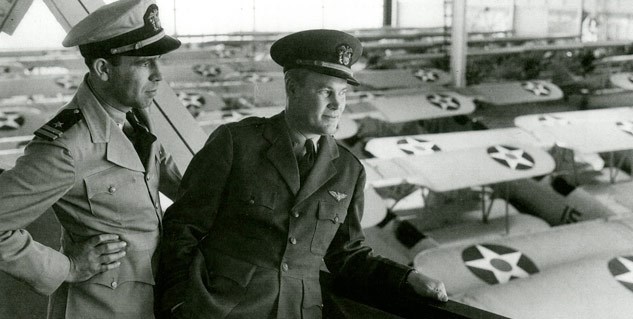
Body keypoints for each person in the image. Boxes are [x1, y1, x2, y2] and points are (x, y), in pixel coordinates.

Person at [156, 29, 448, 319]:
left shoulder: (348, 169)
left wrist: (407, 278)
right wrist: (180, 302)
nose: (337, 105)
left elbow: (347, 255)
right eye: (325, 92)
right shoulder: (237, 143)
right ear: (292, 88)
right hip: (221, 309)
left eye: (343, 93)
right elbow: (183, 226)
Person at [0, 0, 182, 318]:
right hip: (98, 309)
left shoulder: (135, 117)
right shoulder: (67, 147)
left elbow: (164, 180)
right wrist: (67, 267)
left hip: (149, 302)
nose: (158, 76)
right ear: (102, 69)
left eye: (158, 61)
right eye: (144, 63)